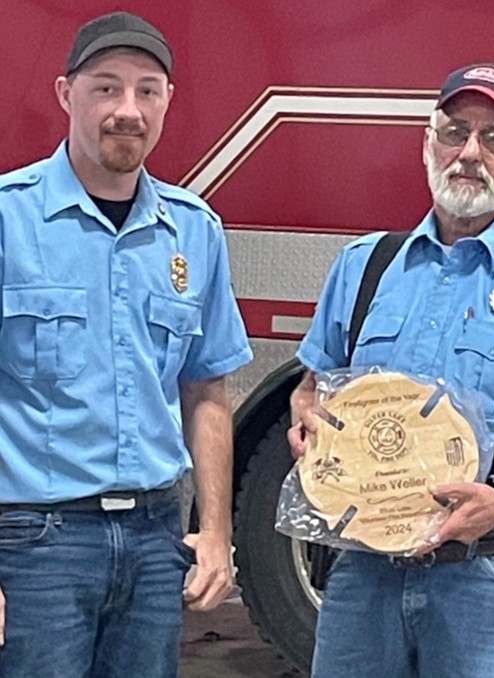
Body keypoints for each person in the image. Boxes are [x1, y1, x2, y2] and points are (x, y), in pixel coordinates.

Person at [288, 63, 494, 678]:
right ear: (427, 145)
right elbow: (311, 387)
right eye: (454, 131)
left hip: (489, 579)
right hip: (361, 575)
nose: (469, 153)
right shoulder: (363, 265)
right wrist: (308, 421)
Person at [0, 11, 252, 678]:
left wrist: (218, 535)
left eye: (147, 90)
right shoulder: (8, 218)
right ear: (65, 95)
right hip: (34, 545)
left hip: (153, 539)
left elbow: (206, 392)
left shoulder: (194, 232)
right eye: (106, 88)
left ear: (167, 101)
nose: (127, 110)